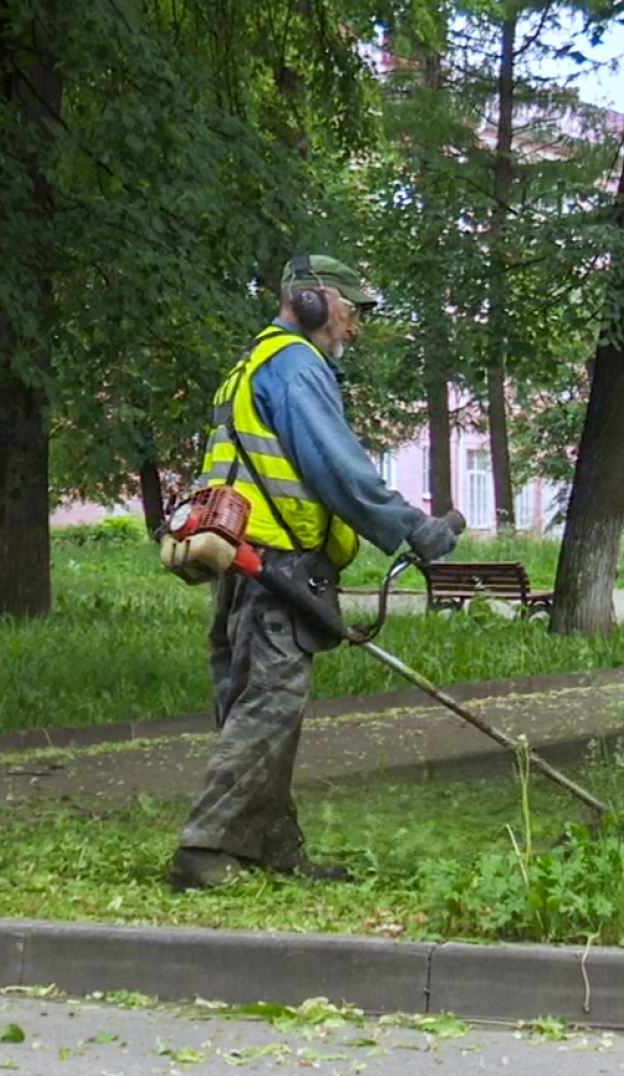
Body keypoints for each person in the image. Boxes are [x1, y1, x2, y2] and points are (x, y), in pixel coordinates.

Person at [165, 254, 459, 893]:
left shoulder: (250, 366)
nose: (353, 329)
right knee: (270, 705)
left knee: (256, 703)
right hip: (274, 566)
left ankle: (269, 841)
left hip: (245, 564)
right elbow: (336, 465)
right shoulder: (297, 365)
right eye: (350, 312)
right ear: (314, 301)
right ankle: (202, 845)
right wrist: (410, 526)